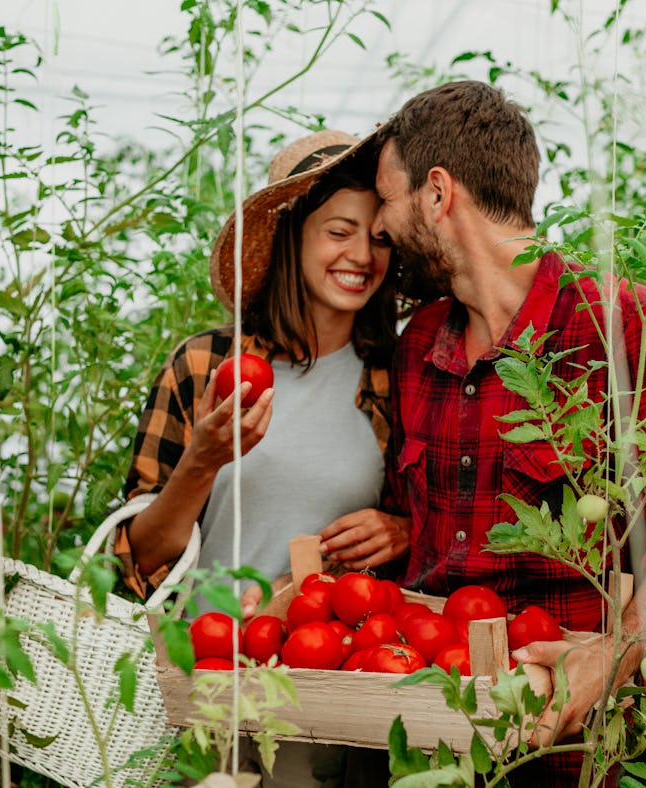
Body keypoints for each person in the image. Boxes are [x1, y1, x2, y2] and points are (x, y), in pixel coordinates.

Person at [318, 81, 646, 785]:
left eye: (389, 200)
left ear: (437, 194)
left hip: (562, 743)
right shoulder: (419, 341)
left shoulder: (625, 328)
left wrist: (615, 651)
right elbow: (426, 519)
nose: (383, 228)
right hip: (417, 731)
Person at [114, 129, 406, 787]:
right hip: (195, 687)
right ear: (291, 235)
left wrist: (401, 530)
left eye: (381, 237)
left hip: (322, 700)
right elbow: (134, 559)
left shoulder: (392, 383)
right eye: (340, 231)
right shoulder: (206, 366)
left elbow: (425, 548)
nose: (362, 255)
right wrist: (203, 461)